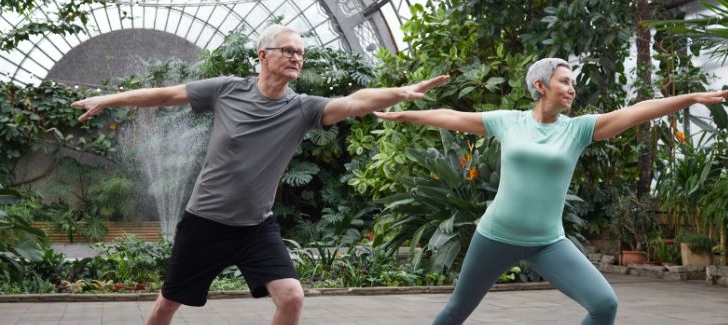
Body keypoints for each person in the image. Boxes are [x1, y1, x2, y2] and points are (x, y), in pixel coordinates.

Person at [72, 25, 448, 325]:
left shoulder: (303, 109)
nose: (296, 57)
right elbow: (165, 95)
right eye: (288, 50)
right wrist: (108, 98)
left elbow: (355, 101)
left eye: (300, 53)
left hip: (256, 226)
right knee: (166, 306)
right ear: (263, 55)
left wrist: (399, 91)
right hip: (205, 222)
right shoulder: (226, 90)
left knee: (292, 298)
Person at [375, 58, 728, 325]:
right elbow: (451, 117)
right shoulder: (508, 122)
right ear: (540, 86)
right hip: (495, 236)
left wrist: (689, 97)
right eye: (564, 81)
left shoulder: (578, 129)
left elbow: (638, 110)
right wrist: (405, 113)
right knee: (456, 310)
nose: (572, 88)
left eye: (572, 82)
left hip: (547, 242)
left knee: (604, 305)